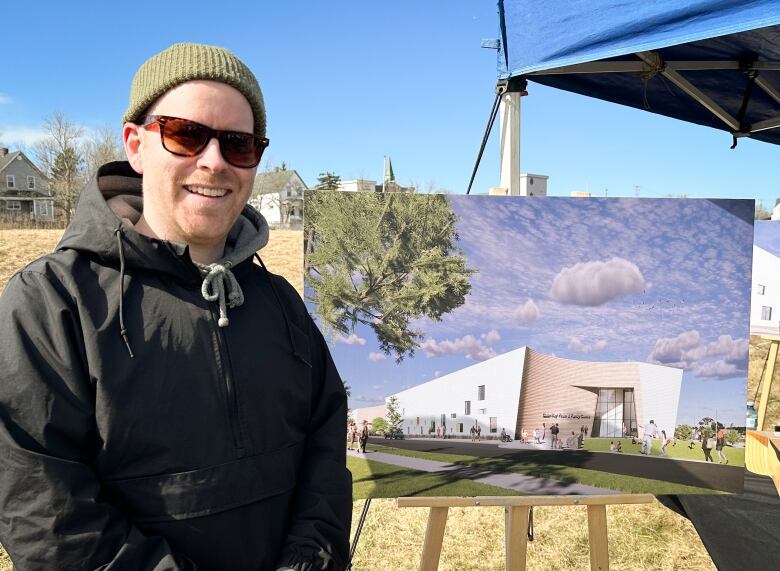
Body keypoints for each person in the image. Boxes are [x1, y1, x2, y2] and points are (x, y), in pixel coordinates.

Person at [0, 43, 351, 571]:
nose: (213, 161)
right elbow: (46, 515)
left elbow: (325, 456)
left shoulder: (281, 305)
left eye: (238, 144)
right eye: (185, 134)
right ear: (136, 145)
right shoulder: (51, 304)